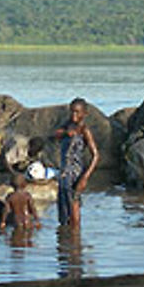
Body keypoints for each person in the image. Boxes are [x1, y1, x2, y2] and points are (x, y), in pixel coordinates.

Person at [53, 97, 99, 228]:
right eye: (72, 112)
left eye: (77, 112)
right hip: (64, 173)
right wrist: (65, 133)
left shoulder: (85, 130)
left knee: (74, 204)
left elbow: (96, 155)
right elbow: (55, 134)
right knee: (63, 209)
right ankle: (66, 240)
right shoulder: (67, 126)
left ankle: (75, 239)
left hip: (76, 174)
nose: (74, 115)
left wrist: (85, 177)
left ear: (84, 114)